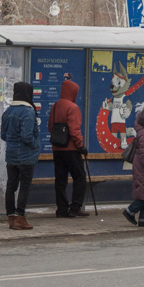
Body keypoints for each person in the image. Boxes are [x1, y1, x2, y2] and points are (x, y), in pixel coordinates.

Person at [0, 81, 40, 230]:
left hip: (11, 156)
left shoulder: (8, 111)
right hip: (26, 156)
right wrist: (36, 145)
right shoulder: (28, 112)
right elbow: (27, 136)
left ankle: (11, 217)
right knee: (24, 186)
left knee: (11, 185)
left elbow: (3, 135)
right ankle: (20, 217)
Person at [49, 78, 89, 218]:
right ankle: (75, 207)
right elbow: (74, 130)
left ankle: (61, 209)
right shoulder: (72, 107)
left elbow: (50, 127)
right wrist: (80, 146)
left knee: (60, 180)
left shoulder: (54, 106)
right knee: (80, 177)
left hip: (57, 148)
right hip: (71, 149)